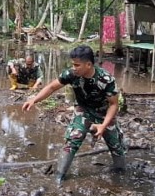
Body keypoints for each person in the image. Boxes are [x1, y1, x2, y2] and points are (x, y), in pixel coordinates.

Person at [23, 45, 125, 184]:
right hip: (83, 110)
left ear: (88, 64)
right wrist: (34, 99)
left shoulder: (105, 79)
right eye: (73, 64)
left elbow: (113, 105)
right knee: (73, 139)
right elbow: (52, 87)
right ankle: (59, 176)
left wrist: (103, 126)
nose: (74, 67)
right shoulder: (71, 74)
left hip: (104, 112)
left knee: (116, 145)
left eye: (77, 65)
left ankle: (121, 174)